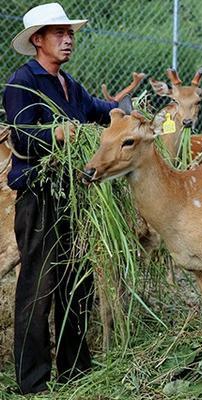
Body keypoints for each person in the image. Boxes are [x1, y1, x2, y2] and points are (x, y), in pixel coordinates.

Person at [3, 3, 118, 394]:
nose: (67, 39)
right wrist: (57, 134)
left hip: (75, 196)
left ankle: (75, 371)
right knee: (38, 288)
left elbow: (99, 111)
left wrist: (126, 113)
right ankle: (32, 381)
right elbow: (22, 136)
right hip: (38, 195)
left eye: (70, 33)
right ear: (38, 40)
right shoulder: (22, 82)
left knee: (77, 284)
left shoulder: (70, 85)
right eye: (58, 33)